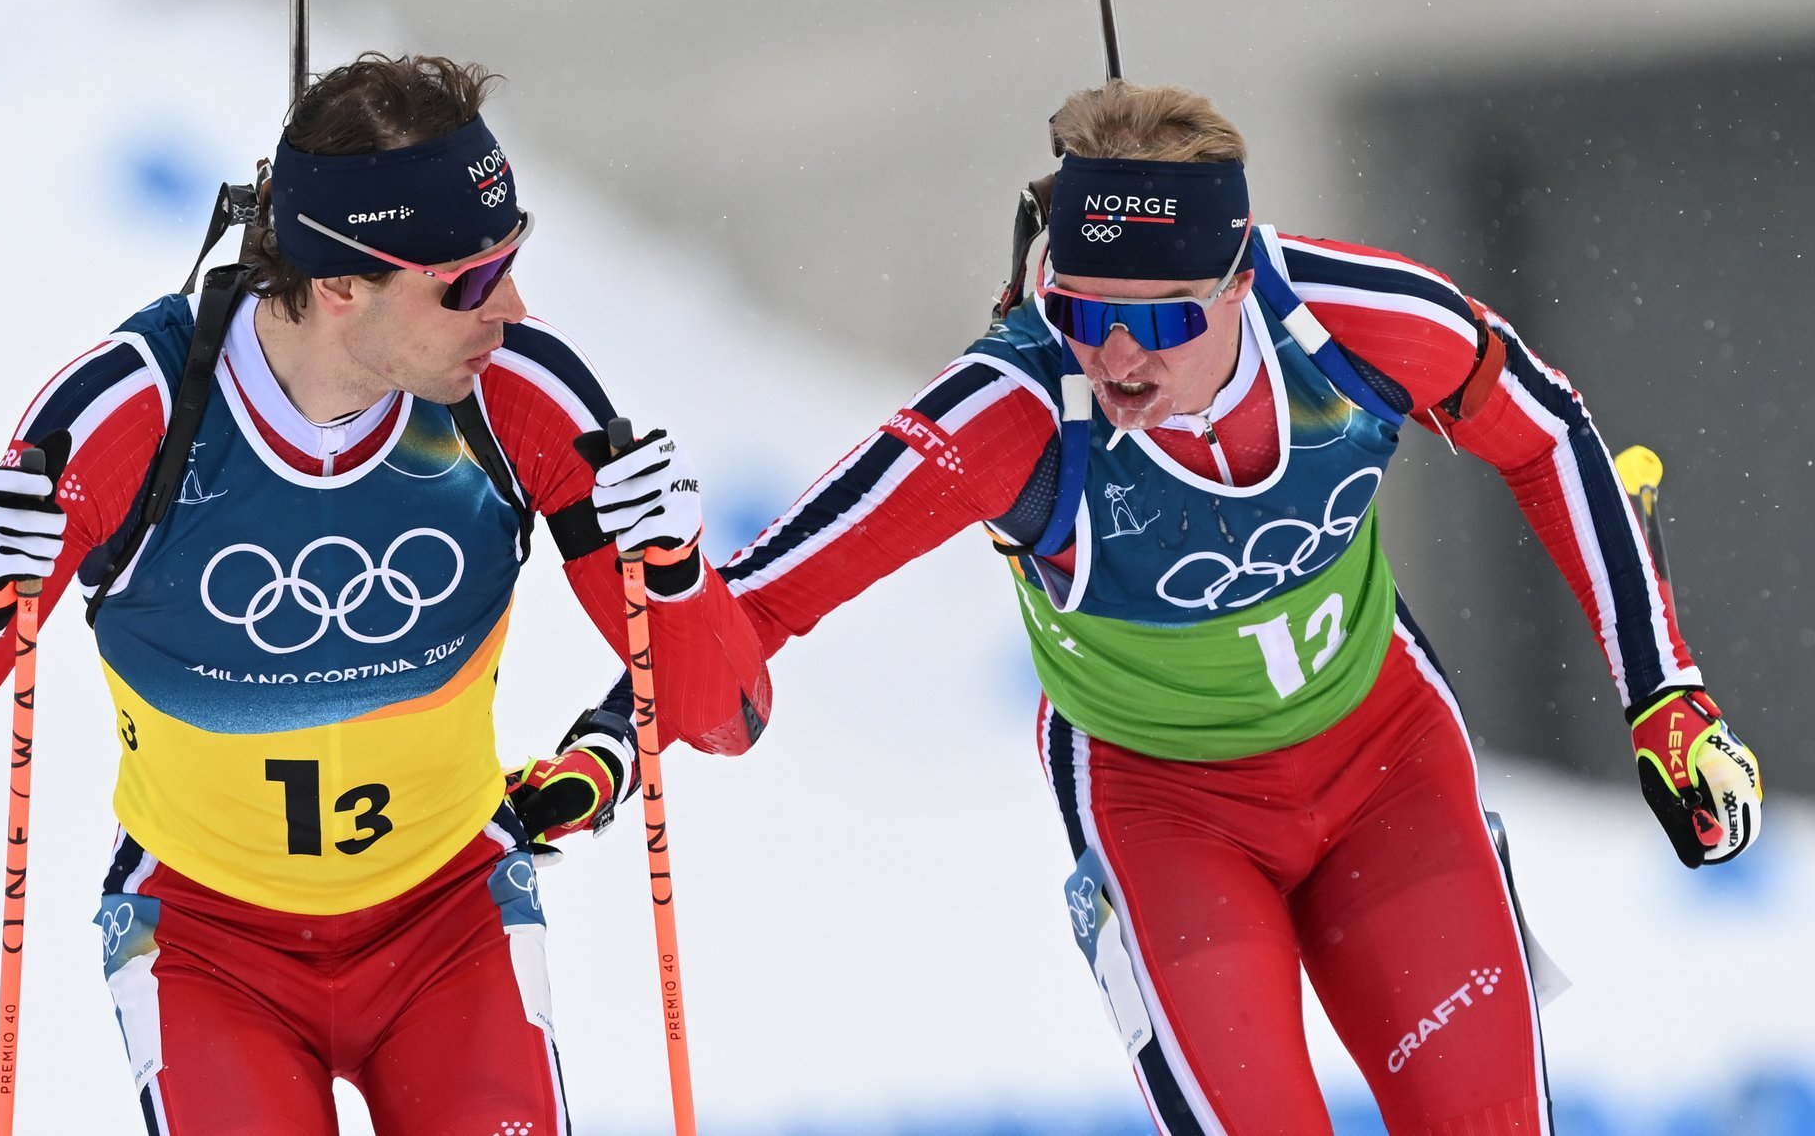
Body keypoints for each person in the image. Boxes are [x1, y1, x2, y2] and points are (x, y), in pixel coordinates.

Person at [699, 81, 1762, 1132]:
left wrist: (1662, 692)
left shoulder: (1350, 322)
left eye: (1160, 317)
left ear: (1238, 277)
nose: (1117, 355)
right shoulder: (1008, 407)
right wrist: (628, 694)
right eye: (1078, 311)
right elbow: (738, 615)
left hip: (1382, 764)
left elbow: (1547, 432)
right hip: (1163, 810)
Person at [0, 53, 769, 1136]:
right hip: (203, 942)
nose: (509, 307)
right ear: (339, 285)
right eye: (467, 281)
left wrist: (672, 565)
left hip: (447, 924)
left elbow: (724, 717)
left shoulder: (517, 391)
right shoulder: (130, 412)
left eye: (511, 258)